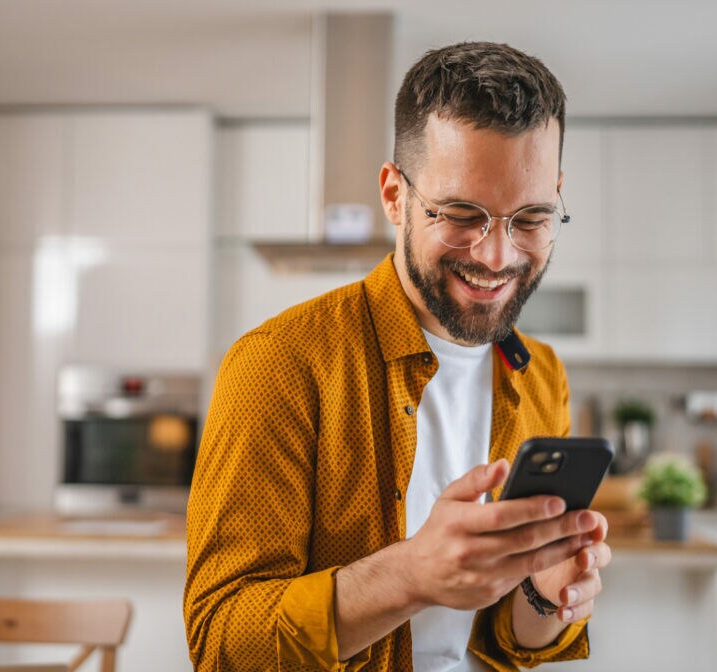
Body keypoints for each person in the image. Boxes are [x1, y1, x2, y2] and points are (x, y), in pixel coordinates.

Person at [184, 41, 611, 672]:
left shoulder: (539, 373)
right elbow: (221, 644)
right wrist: (409, 575)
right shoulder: (278, 365)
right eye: (462, 213)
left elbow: (510, 643)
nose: (497, 257)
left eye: (530, 217)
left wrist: (544, 596)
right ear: (394, 195)